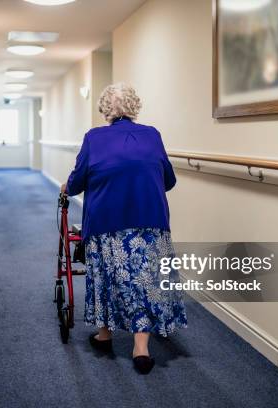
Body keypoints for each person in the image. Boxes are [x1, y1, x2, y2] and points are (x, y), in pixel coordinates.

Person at [61, 83, 187, 374]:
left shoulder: (94, 137)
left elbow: (78, 181)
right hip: (150, 219)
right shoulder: (152, 135)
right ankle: (141, 347)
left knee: (106, 273)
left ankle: (105, 335)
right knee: (146, 279)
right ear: (134, 106)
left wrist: (68, 186)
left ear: (106, 110)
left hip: (107, 221)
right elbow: (169, 180)